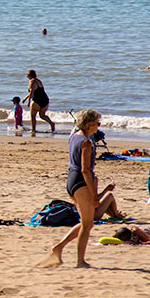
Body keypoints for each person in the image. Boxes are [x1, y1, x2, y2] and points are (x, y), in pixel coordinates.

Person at [44, 109, 106, 269]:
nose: (98, 127)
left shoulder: (74, 136)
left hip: (71, 179)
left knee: (87, 222)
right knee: (87, 225)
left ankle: (58, 248)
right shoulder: (86, 142)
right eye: (98, 124)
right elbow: (85, 170)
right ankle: (80, 261)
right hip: (80, 181)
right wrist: (94, 194)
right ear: (90, 125)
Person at [27, 70, 56, 136]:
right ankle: (51, 124)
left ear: (29, 76)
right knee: (42, 115)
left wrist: (28, 101)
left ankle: (33, 129)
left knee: (33, 116)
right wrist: (25, 98)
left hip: (37, 101)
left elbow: (31, 92)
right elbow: (37, 91)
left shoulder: (31, 81)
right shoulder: (39, 81)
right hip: (45, 100)